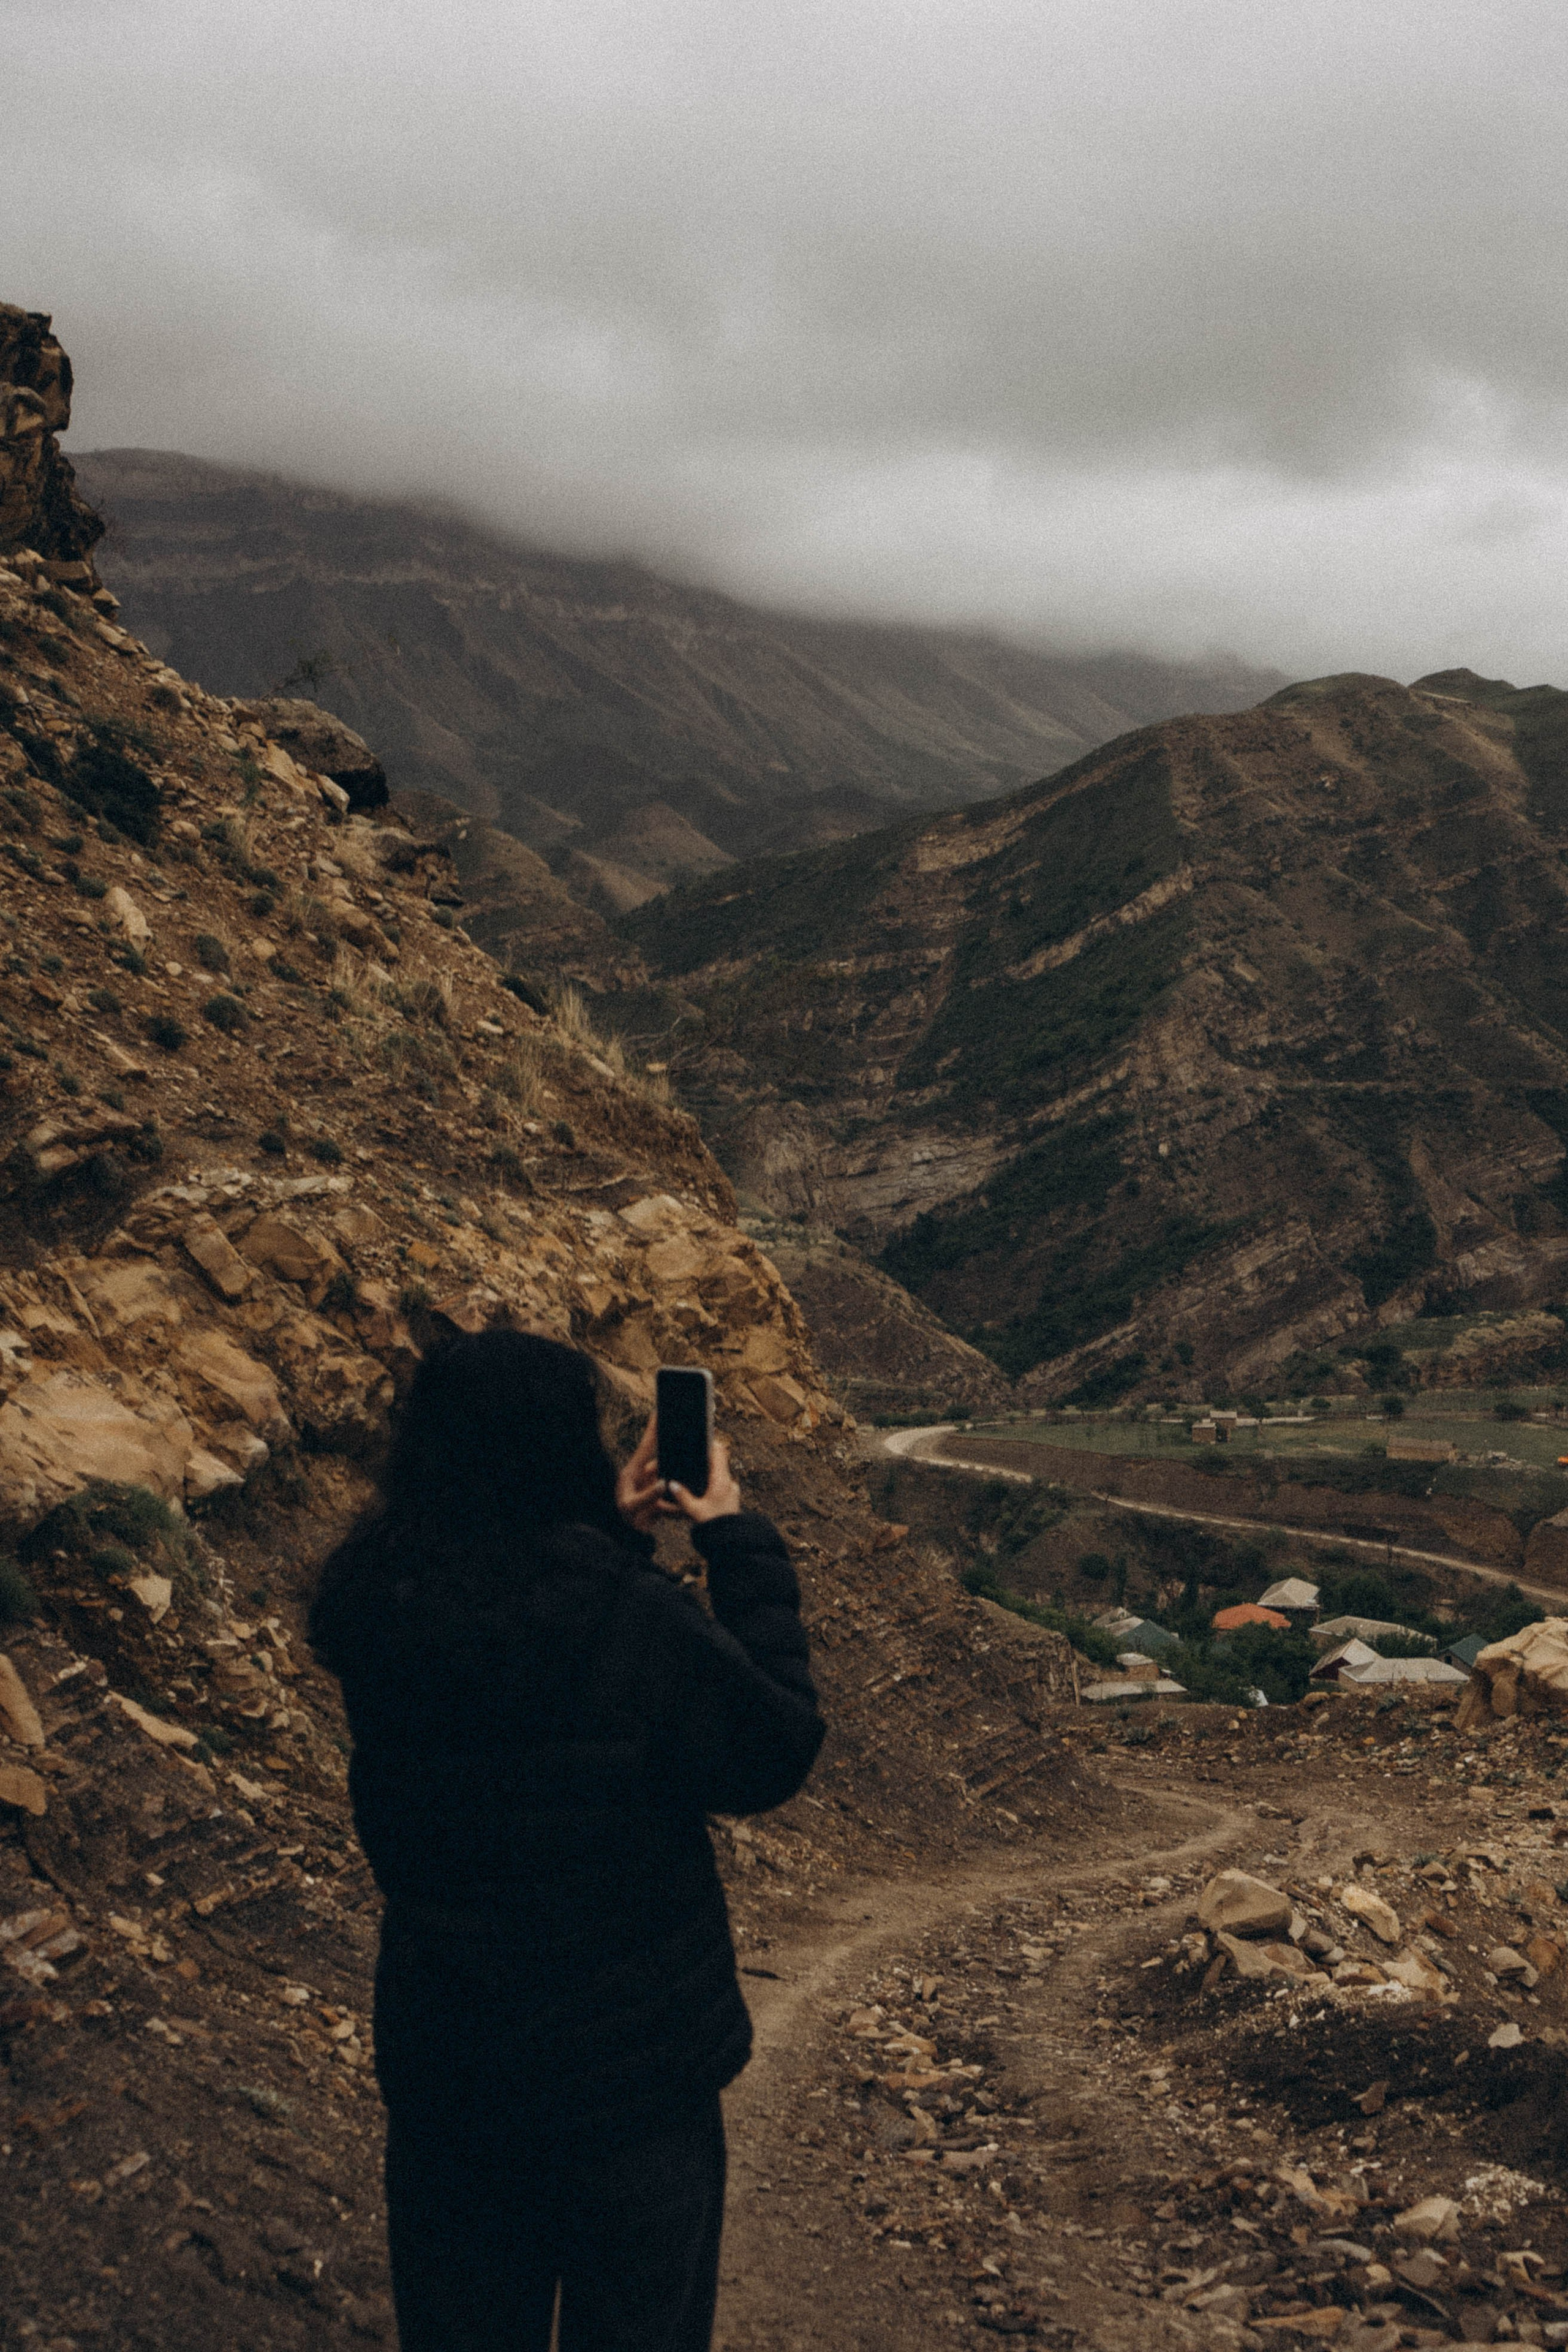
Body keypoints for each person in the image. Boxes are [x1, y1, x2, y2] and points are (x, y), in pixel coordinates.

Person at [309, 1329, 824, 2352]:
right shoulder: (623, 1615)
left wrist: (607, 1536)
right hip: (631, 2092)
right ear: (562, 1449)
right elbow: (774, 1746)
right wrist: (729, 1537)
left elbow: (511, 1653)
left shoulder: (374, 1609)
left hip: (453, 2079)